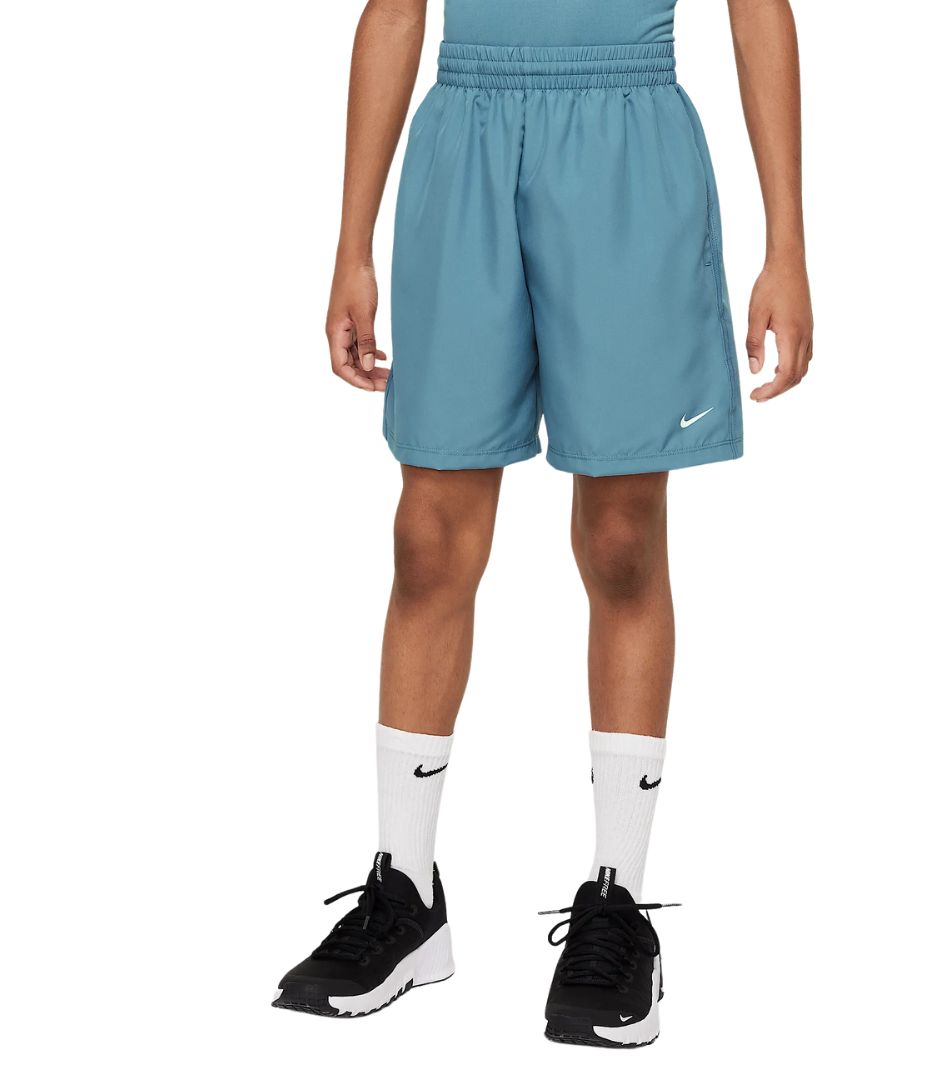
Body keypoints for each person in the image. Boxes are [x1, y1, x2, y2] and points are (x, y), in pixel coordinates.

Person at [273, 0, 813, 1047]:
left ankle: (616, 901)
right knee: (429, 537)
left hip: (626, 139)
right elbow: (394, 11)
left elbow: (758, 9)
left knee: (621, 538)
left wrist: (785, 243)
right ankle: (407, 893)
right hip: (464, 136)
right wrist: (351, 244)